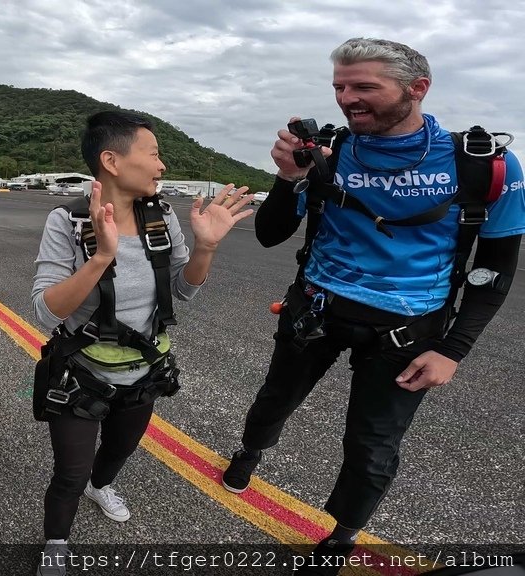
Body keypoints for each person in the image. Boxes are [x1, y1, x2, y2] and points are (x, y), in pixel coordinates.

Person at [221, 38, 524, 575]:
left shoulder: (485, 165)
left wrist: (453, 351)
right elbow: (269, 235)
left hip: (409, 331)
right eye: (339, 86)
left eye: (364, 87)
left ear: (417, 88)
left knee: (372, 446)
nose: (347, 99)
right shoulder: (329, 153)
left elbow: (493, 271)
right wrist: (290, 176)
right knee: (274, 401)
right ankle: (249, 452)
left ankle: (340, 536)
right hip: (314, 310)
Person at [31, 110, 253, 576]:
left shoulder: (161, 215)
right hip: (81, 372)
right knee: (69, 473)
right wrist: (102, 257)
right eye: (153, 154)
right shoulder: (68, 221)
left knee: (116, 452)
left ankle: (102, 485)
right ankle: (56, 543)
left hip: (144, 369)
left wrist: (206, 247)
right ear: (112, 160)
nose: (162, 166)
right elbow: (46, 310)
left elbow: (184, 289)